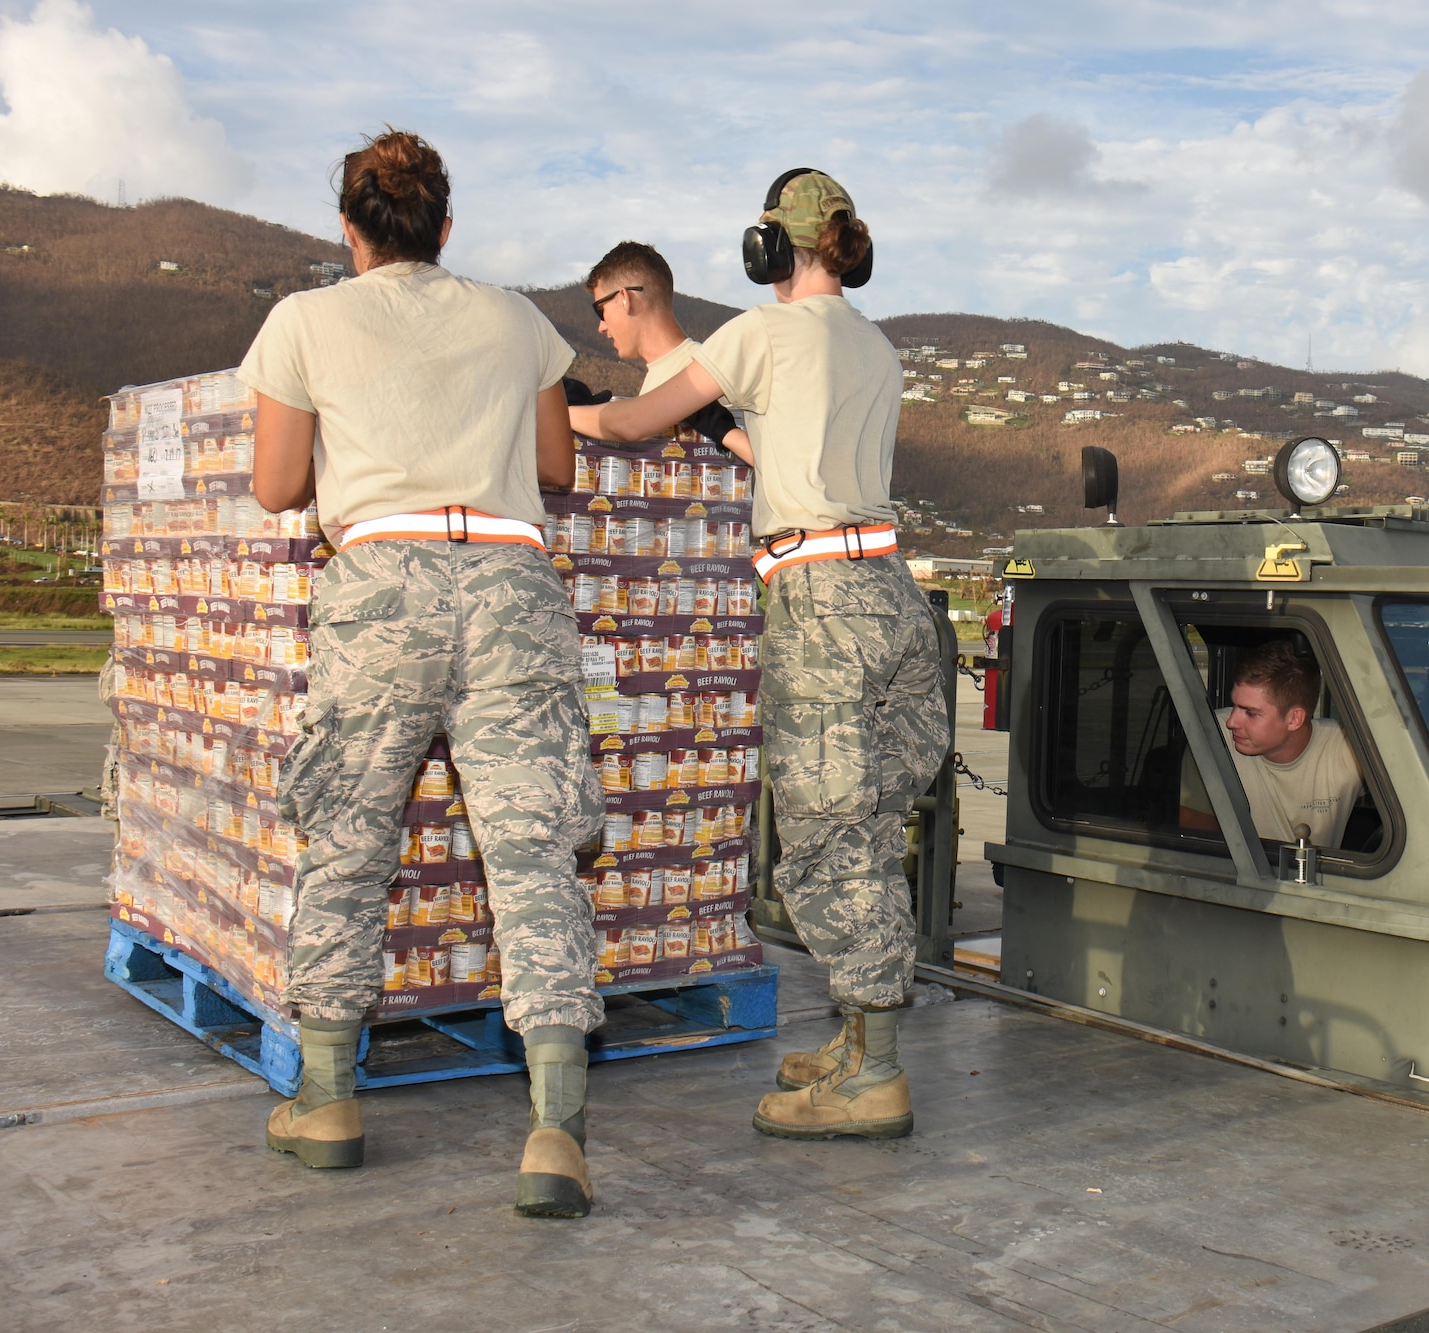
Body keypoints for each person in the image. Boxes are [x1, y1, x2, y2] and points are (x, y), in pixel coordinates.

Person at [242, 128, 604, 1219]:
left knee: (349, 842)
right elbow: (554, 468)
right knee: (532, 850)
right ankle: (554, 1131)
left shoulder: (303, 319)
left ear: (347, 227)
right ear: (446, 227)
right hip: (506, 581)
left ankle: (327, 1100)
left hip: (380, 587)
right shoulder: (513, 319)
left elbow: (274, 484)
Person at [571, 168, 948, 1141]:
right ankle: (862, 1039)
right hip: (891, 591)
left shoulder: (758, 333)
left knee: (825, 836)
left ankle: (877, 1075)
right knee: (870, 822)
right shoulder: (876, 347)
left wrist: (563, 411)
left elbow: (628, 423)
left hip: (816, 598)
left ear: (769, 247)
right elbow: (774, 446)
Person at [1180, 639, 1364, 850]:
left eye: (1250, 712)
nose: (1231, 722)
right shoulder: (1213, 735)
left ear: (1294, 719)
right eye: (1234, 705)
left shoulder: (1347, 749)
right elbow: (1195, 843)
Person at [578, 240, 748, 457]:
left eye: (601, 311)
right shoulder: (665, 375)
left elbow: (630, 424)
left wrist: (554, 412)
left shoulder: (708, 371)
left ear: (624, 299)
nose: (601, 327)